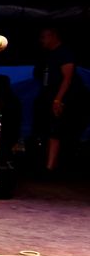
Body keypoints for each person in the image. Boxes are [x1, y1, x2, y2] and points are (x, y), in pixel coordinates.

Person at [32, 25, 86, 174]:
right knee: (48, 130)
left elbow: (67, 78)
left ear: (53, 36)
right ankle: (49, 164)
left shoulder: (65, 53)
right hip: (49, 97)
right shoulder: (48, 55)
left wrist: (58, 99)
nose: (41, 40)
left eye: (44, 37)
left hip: (64, 98)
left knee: (56, 132)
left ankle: (50, 167)